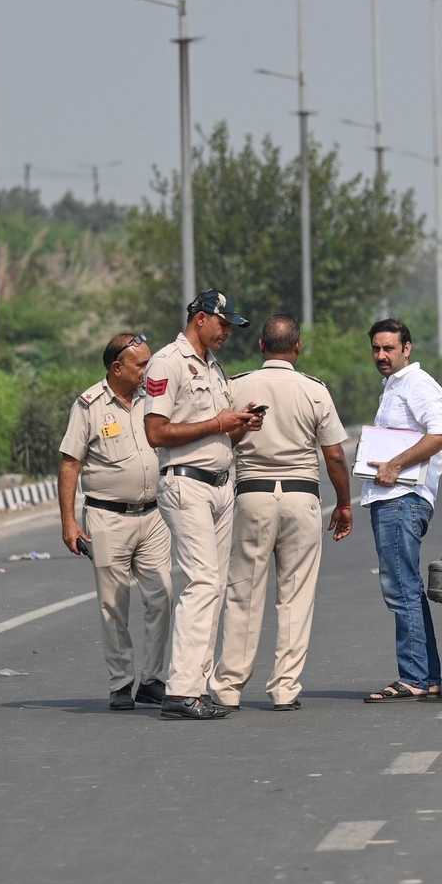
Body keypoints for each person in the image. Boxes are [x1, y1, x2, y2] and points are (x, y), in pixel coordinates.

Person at [210, 316, 351, 713]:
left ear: (260, 346)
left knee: (243, 594)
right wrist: (343, 504)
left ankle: (228, 687)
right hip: (301, 498)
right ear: (298, 347)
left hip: (251, 495)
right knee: (295, 596)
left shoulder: (236, 386)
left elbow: (221, 437)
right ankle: (285, 688)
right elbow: (335, 455)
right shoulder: (314, 390)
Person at [144, 289, 262, 720]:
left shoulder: (213, 368)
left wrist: (241, 425)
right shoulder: (167, 362)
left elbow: (218, 435)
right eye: (223, 322)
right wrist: (218, 422)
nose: (228, 330)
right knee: (202, 583)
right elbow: (156, 432)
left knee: (213, 587)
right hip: (185, 485)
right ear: (200, 319)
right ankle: (179, 690)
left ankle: (195, 686)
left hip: (218, 485)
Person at [58, 333, 174, 711]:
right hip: (106, 518)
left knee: (162, 597)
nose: (147, 370)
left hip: (153, 515)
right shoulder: (89, 406)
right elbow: (70, 463)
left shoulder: (152, 400)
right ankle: (121, 683)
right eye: (140, 364)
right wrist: (69, 523)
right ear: (116, 367)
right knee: (114, 604)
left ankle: (153, 680)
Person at [360, 319, 442, 703]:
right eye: (377, 349)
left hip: (402, 499)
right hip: (391, 499)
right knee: (406, 588)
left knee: (400, 588)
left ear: (407, 348)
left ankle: (413, 676)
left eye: (389, 349)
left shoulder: (416, 384)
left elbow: (441, 432)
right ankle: (426, 676)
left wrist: (395, 464)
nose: (382, 356)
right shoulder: (394, 386)